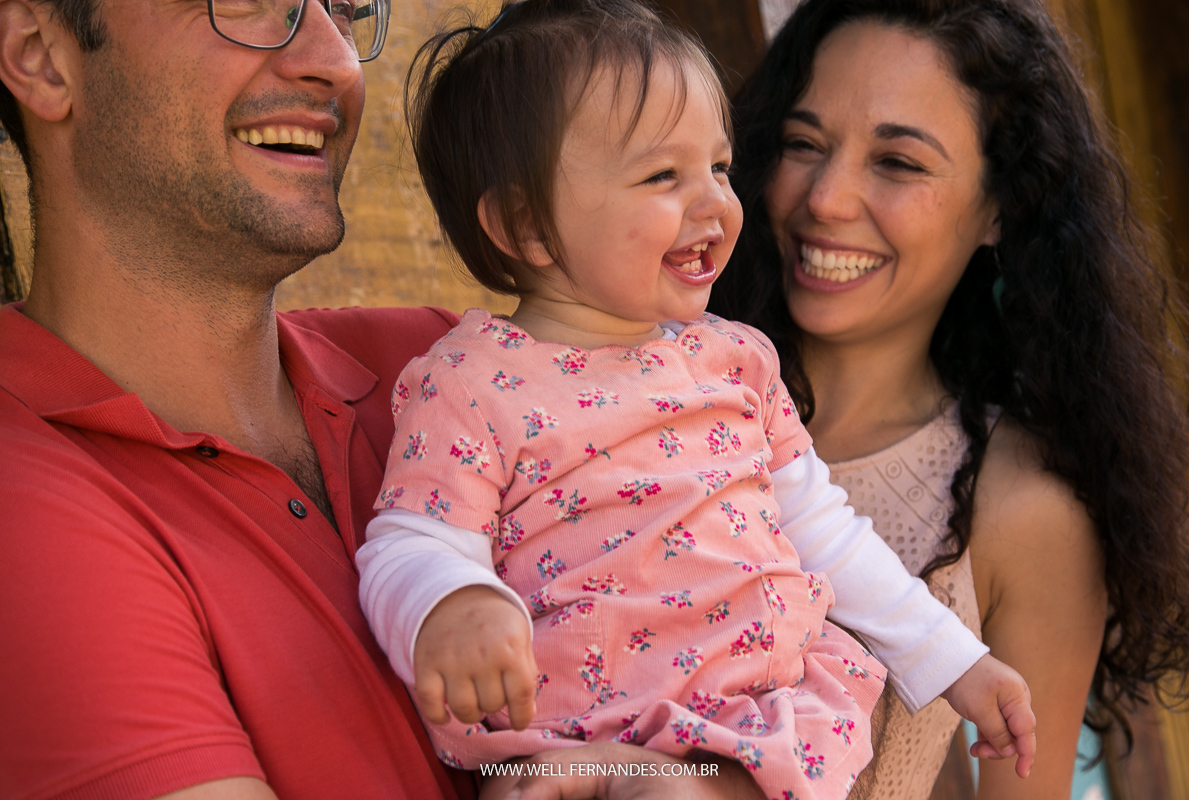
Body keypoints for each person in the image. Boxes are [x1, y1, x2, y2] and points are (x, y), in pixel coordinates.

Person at [0, 0, 777, 797]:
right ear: (40, 53)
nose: (335, 61)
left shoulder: (472, 367)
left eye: (345, 7)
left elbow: (782, 603)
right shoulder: (25, 514)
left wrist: (709, 782)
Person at [356, 2, 1035, 797]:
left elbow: (826, 534)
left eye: (718, 166)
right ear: (525, 222)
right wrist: (454, 598)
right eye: (662, 177)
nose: (716, 203)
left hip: (748, 720)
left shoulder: (734, 361)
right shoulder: (471, 384)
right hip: (574, 726)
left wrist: (953, 659)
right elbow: (409, 540)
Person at [709, 0, 1189, 798]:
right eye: (804, 143)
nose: (827, 198)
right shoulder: (666, 378)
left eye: (898, 163)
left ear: (1001, 207)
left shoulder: (1023, 509)